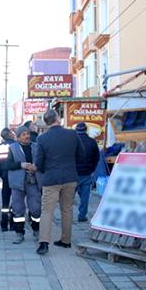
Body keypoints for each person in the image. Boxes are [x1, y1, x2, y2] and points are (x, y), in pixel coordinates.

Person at [34, 109, 84, 255]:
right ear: (58, 118)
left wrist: (46, 170)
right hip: (70, 177)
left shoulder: (42, 138)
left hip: (51, 179)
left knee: (47, 210)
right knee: (67, 209)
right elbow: (81, 155)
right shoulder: (72, 134)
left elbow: (39, 163)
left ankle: (44, 243)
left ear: (46, 122)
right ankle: (66, 240)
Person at [3, 125, 41, 244]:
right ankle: (19, 233)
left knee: (35, 208)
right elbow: (6, 165)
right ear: (18, 137)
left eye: (28, 134)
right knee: (18, 209)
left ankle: (36, 229)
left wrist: (36, 167)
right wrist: (21, 165)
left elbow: (42, 161)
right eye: (24, 135)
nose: (27, 136)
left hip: (33, 182)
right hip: (17, 183)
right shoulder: (12, 148)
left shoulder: (36, 147)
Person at [75, 122, 100, 223]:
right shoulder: (92, 142)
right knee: (85, 196)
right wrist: (92, 169)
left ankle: (66, 215)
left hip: (74, 173)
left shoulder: (73, 142)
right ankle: (82, 215)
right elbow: (97, 158)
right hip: (87, 173)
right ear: (86, 130)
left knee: (68, 197)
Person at [0, 128, 15, 231]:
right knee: (16, 200)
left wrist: (2, 175)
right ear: (10, 134)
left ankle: (4, 224)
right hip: (15, 177)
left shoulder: (0, 147)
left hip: (5, 176)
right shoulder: (16, 145)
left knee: (5, 202)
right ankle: (14, 223)